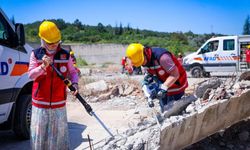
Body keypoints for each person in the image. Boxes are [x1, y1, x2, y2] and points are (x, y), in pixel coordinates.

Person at [28, 21, 79, 150]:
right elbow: (31, 75)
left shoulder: (65, 55)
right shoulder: (35, 54)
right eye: (50, 42)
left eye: (56, 41)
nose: (54, 45)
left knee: (58, 139)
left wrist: (75, 84)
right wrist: (42, 67)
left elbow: (73, 72)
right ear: (42, 40)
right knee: (40, 139)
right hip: (40, 105)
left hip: (59, 104)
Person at [126, 43, 188, 112]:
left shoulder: (162, 57)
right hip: (164, 85)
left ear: (145, 52)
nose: (143, 64)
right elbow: (149, 73)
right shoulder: (143, 61)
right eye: (141, 63)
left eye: (143, 61)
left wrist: (164, 87)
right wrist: (147, 82)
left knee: (176, 111)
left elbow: (175, 74)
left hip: (177, 83)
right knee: (165, 111)